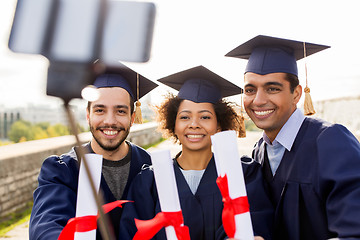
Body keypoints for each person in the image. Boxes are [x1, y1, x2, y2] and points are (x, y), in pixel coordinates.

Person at [225, 35, 360, 239]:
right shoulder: (259, 151)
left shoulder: (331, 141)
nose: (258, 100)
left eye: (272, 88)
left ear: (296, 94)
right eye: (250, 90)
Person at [119, 65, 273, 240]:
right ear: (173, 125)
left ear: (219, 125)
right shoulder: (149, 182)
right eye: (184, 117)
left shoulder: (243, 175)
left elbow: (258, 225)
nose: (194, 124)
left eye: (205, 117)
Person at [29, 64, 158, 240]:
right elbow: (47, 226)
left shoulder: (152, 167)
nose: (110, 120)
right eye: (100, 110)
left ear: (132, 117)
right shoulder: (63, 170)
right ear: (88, 115)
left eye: (120, 111)